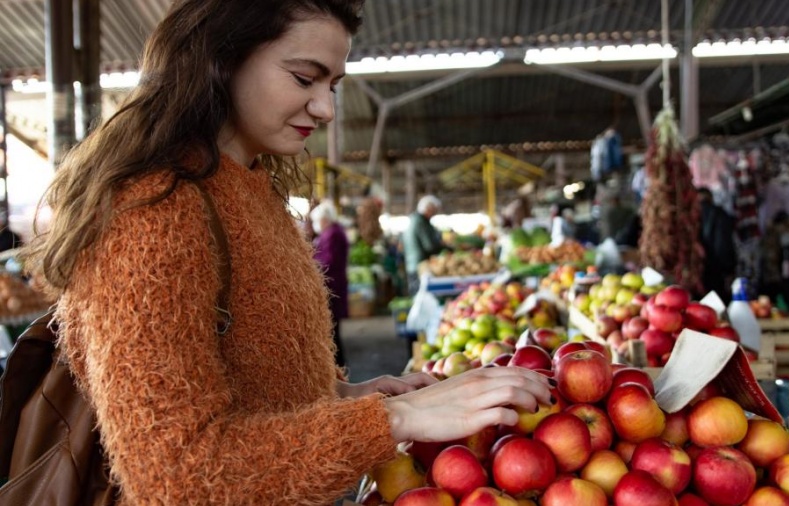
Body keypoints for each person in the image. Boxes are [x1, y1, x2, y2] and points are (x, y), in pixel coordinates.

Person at [21, 2, 551, 504]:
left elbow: (249, 382)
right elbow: (178, 475)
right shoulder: (155, 212)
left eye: (333, 85)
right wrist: (397, 419)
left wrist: (344, 395)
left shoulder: (249, 188)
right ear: (221, 59)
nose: (325, 109)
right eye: (304, 78)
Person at [311, 201, 349, 368]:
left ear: (324, 219)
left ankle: (338, 367)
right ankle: (338, 366)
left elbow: (329, 261)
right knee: (333, 329)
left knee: (333, 329)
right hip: (334, 284)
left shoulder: (332, 234)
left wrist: (310, 264)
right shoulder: (333, 232)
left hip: (333, 286)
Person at [698, 188, 737, 300]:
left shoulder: (691, 217)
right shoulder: (721, 214)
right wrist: (729, 269)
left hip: (699, 270)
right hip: (718, 270)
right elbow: (725, 244)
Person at [403, 194, 445, 294]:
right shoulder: (420, 222)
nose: (435, 213)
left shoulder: (414, 219)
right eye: (434, 210)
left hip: (413, 264)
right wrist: (446, 248)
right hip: (419, 265)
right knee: (420, 294)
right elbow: (429, 246)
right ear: (428, 208)